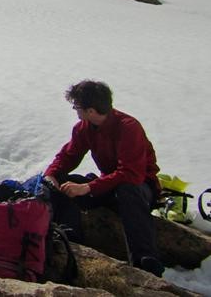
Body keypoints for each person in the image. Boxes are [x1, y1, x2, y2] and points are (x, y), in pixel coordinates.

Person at [43, 80, 164, 277]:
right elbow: (69, 155)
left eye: (77, 107)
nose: (75, 110)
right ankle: (70, 238)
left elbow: (131, 174)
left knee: (128, 189)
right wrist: (52, 174)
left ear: (91, 110)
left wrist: (88, 188)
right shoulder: (84, 127)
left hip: (139, 188)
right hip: (109, 184)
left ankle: (145, 259)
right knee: (66, 183)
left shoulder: (128, 127)